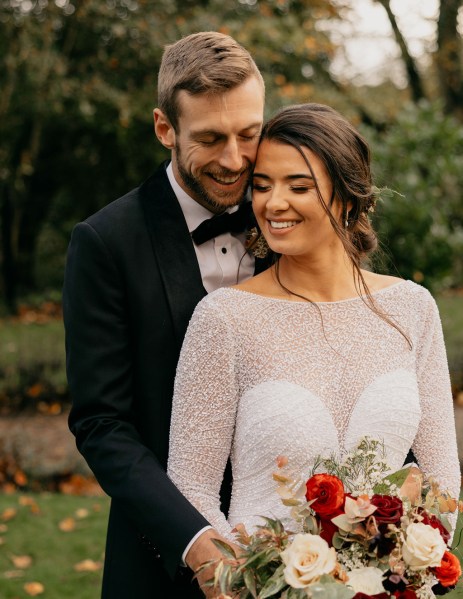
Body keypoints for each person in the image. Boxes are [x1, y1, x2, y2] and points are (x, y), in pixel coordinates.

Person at [167, 103, 461, 549]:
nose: (273, 203)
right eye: (262, 186)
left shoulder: (412, 309)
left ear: (347, 195)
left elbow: (443, 481)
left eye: (298, 186)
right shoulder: (224, 318)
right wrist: (244, 575)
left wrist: (404, 566)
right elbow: (191, 487)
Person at [63, 31, 267, 598]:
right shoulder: (106, 243)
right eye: (209, 138)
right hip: (160, 560)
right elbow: (102, 423)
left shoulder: (290, 219)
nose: (234, 160)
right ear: (164, 129)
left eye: (249, 134)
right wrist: (193, 540)